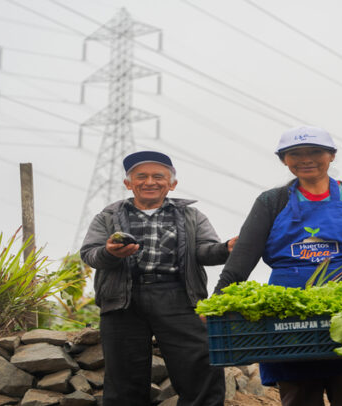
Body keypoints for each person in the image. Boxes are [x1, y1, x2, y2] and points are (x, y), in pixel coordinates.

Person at [214, 126, 342, 406]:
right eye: (295, 154)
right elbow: (243, 257)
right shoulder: (271, 201)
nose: (306, 159)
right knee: (298, 394)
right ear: (284, 160)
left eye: (315, 152)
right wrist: (218, 301)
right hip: (289, 319)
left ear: (331, 156)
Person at [80, 150, 237, 406]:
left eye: (158, 176)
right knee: (124, 378)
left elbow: (204, 250)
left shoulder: (192, 216)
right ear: (128, 184)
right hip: (123, 301)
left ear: (172, 184)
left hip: (179, 296)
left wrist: (225, 248)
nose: (149, 182)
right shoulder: (108, 216)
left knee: (200, 366)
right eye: (141, 176)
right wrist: (110, 252)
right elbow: (89, 254)